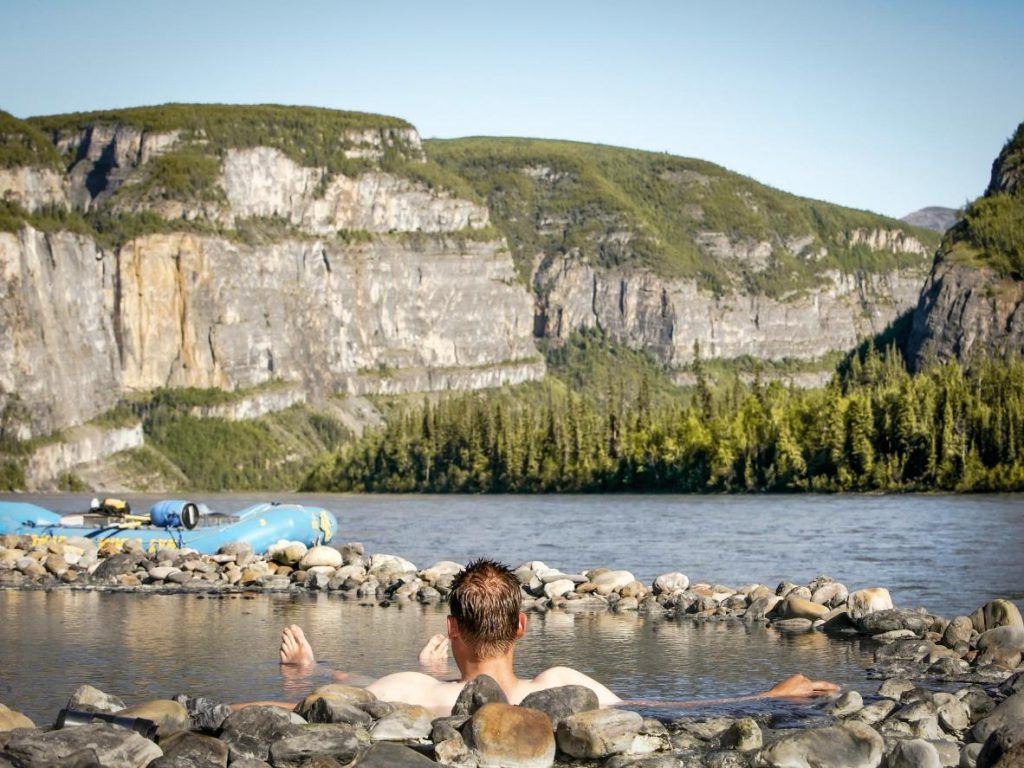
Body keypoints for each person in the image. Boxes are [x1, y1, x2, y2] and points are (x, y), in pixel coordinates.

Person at [267, 558, 838, 716]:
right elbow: (664, 709)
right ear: (521, 626)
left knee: (353, 682)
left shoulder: (413, 690)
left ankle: (312, 664)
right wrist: (771, 696)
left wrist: (305, 679)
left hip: (435, 688)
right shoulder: (558, 684)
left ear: (451, 629)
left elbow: (299, 712)